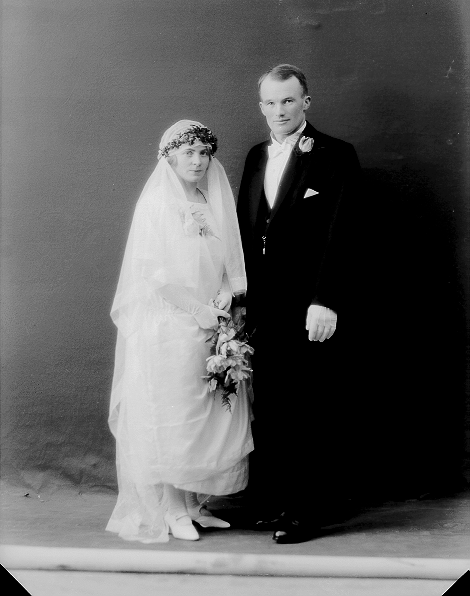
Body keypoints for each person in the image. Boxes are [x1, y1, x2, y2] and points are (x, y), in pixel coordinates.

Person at [107, 120, 253, 543]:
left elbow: (225, 257)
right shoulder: (156, 204)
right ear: (169, 157)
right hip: (171, 325)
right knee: (175, 415)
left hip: (210, 323)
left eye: (204, 152)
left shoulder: (209, 199)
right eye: (188, 152)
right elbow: (152, 274)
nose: (197, 160)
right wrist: (195, 309)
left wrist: (224, 291)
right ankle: (171, 509)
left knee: (206, 414)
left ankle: (192, 505)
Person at [236, 64, 361, 544]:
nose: (279, 110)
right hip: (264, 306)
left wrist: (324, 299)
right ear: (261, 107)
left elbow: (342, 232)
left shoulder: (335, 154)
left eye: (288, 100)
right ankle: (276, 502)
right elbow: (249, 229)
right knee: (271, 405)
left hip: (309, 305)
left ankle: (306, 510)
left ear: (305, 102)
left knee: (309, 405)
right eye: (270, 102)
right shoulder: (256, 156)